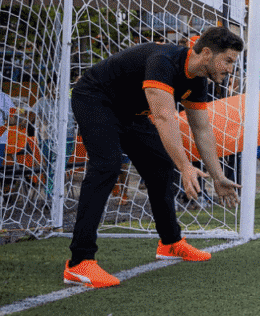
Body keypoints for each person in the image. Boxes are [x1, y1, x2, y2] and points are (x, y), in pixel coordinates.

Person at [63, 26, 244, 289]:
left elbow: (202, 130)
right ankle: (79, 261)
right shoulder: (164, 62)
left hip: (130, 112)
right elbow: (163, 118)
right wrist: (186, 167)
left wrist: (217, 177)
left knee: (161, 166)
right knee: (107, 166)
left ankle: (170, 243)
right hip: (95, 98)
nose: (230, 68)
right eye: (227, 60)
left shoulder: (197, 79)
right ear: (206, 53)